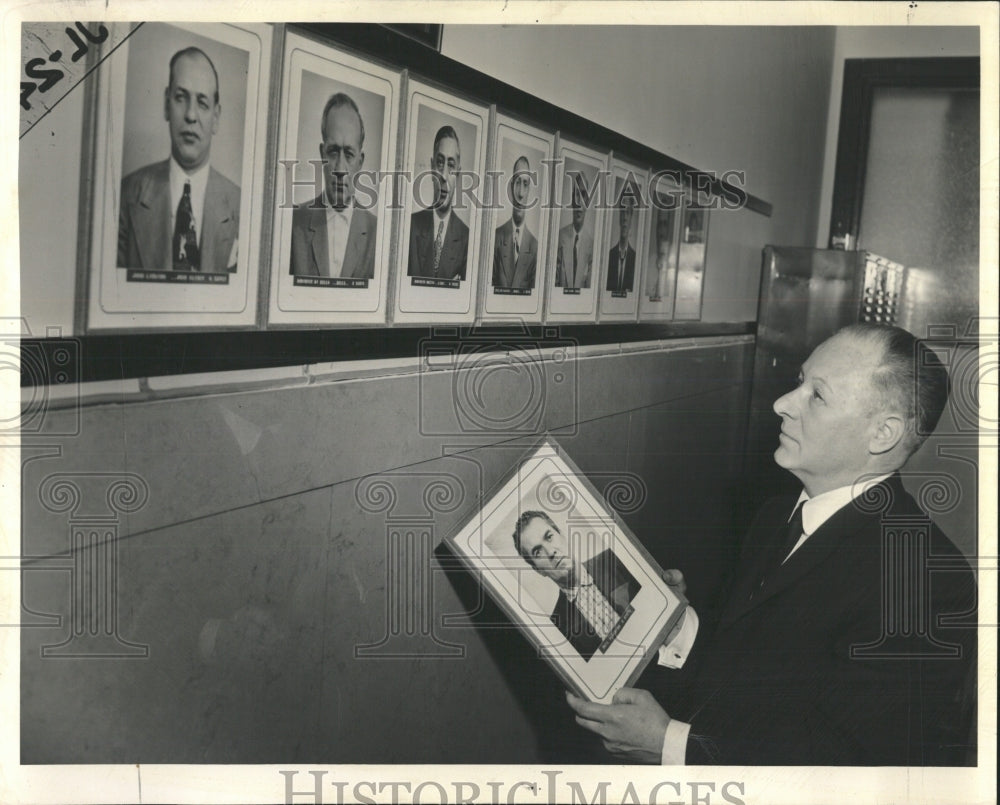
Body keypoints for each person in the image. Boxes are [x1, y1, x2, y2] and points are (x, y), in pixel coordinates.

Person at [567, 323, 976, 766]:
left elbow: (849, 764)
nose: (782, 404)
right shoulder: (774, 516)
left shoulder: (926, 581)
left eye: (817, 395)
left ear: (883, 434)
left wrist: (671, 745)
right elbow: (751, 675)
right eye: (800, 382)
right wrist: (678, 625)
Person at [117, 47, 240, 273]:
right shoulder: (125, 196)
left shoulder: (240, 207)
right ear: (166, 104)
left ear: (216, 117)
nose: (190, 115)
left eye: (202, 103)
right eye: (181, 98)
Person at [513, 510, 639, 661]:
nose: (551, 552)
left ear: (563, 536)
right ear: (538, 570)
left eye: (549, 537)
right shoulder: (558, 629)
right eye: (538, 552)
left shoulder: (615, 559)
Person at [289, 93, 377, 280]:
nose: (339, 168)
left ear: (360, 162)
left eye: (349, 154)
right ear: (322, 154)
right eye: (333, 152)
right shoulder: (292, 224)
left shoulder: (377, 233)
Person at [407, 125, 469, 281]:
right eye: (440, 163)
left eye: (451, 165)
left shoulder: (467, 238)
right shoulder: (410, 226)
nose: (444, 176)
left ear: (458, 174)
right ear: (431, 166)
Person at [492, 156, 538, 290]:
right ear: (511, 187)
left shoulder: (535, 248)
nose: (521, 194)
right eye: (517, 182)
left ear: (529, 190)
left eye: (525, 184)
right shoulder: (496, 238)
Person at [555, 173, 594, 289]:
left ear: (587, 202)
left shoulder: (592, 247)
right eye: (577, 195)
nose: (579, 202)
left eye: (583, 195)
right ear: (572, 200)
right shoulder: (559, 238)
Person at [606, 193, 636, 294]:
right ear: (619, 215)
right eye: (622, 212)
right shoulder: (609, 256)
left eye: (627, 212)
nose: (624, 218)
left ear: (631, 217)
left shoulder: (635, 259)